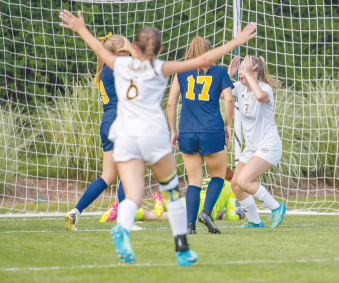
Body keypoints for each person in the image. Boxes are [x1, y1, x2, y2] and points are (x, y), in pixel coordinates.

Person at [59, 9, 256, 266]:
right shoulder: (161, 67)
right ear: (158, 49)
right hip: (151, 135)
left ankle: (123, 227)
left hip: (125, 134)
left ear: (134, 49)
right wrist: (236, 41)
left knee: (132, 195)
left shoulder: (119, 64)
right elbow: (206, 57)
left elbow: (100, 48)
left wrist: (81, 28)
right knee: (172, 193)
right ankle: (182, 248)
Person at [167, 36, 235, 235]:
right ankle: (206, 212)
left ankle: (190, 226)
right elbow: (229, 99)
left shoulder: (180, 70)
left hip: (187, 132)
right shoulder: (219, 71)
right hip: (212, 130)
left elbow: (171, 103)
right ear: (210, 52)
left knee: (194, 180)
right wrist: (228, 125)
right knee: (218, 175)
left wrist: (173, 131)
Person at [64, 32, 131, 231]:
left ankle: (75, 212)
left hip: (108, 123)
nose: (128, 55)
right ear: (118, 53)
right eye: (125, 52)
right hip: (120, 122)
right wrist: (130, 48)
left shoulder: (106, 69)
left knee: (108, 177)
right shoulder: (116, 66)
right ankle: (124, 222)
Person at [227, 54, 286, 228]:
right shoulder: (239, 87)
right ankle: (255, 222)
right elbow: (220, 93)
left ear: (254, 73)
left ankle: (277, 208)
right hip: (252, 148)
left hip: (269, 146)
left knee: (244, 181)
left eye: (244, 70)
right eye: (240, 70)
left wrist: (250, 76)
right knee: (236, 185)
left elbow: (260, 96)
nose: (240, 73)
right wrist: (228, 75)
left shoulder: (265, 89)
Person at [100, 168, 245, 225]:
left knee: (157, 215)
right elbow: (231, 215)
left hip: (185, 200)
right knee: (166, 217)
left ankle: (127, 210)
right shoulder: (229, 187)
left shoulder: (209, 180)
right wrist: (240, 215)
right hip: (196, 210)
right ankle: (137, 210)